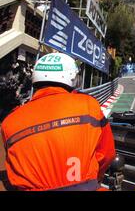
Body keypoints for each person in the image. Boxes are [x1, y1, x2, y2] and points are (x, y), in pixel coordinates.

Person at [1, 52, 116, 191]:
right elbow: (107, 153)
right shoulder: (88, 105)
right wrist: (92, 179)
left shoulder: (9, 122)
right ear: (72, 78)